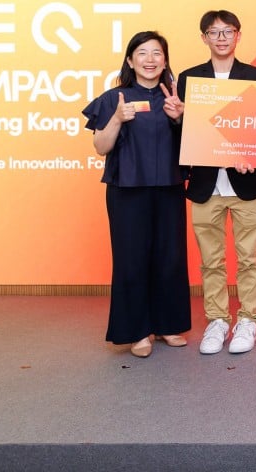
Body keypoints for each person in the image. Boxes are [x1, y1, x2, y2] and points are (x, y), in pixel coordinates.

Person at [82, 30, 190, 358]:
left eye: (157, 53)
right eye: (142, 53)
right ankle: (138, 331)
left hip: (169, 187)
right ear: (130, 60)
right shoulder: (114, 98)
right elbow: (101, 147)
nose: (150, 60)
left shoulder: (176, 98)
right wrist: (116, 119)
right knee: (132, 259)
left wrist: (181, 117)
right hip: (127, 190)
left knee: (170, 257)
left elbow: (197, 145)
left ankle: (168, 324)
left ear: (165, 61)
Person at [176, 10, 256, 356]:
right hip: (205, 184)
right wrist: (179, 118)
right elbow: (184, 132)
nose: (221, 38)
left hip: (246, 183)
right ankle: (217, 320)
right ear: (204, 38)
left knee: (249, 259)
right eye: (214, 32)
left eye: (228, 31)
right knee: (211, 261)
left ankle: (248, 319)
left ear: (238, 35)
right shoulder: (189, 78)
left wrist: (252, 155)